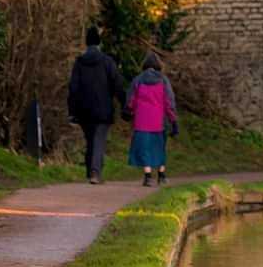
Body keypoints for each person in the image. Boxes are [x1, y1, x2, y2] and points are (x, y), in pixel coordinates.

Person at [67, 26, 125, 184]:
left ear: (86, 43)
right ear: (99, 43)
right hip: (103, 108)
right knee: (98, 139)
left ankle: (90, 171)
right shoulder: (107, 62)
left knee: (90, 139)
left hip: (83, 109)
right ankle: (95, 172)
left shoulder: (79, 62)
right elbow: (117, 84)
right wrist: (124, 105)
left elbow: (73, 87)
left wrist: (72, 111)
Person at [125, 51, 179, 186]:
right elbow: (169, 102)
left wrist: (128, 111)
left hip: (141, 120)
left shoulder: (138, 80)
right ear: (158, 65)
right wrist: (173, 120)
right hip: (159, 120)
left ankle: (148, 176)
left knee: (145, 148)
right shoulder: (163, 80)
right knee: (159, 146)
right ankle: (161, 175)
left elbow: (131, 100)